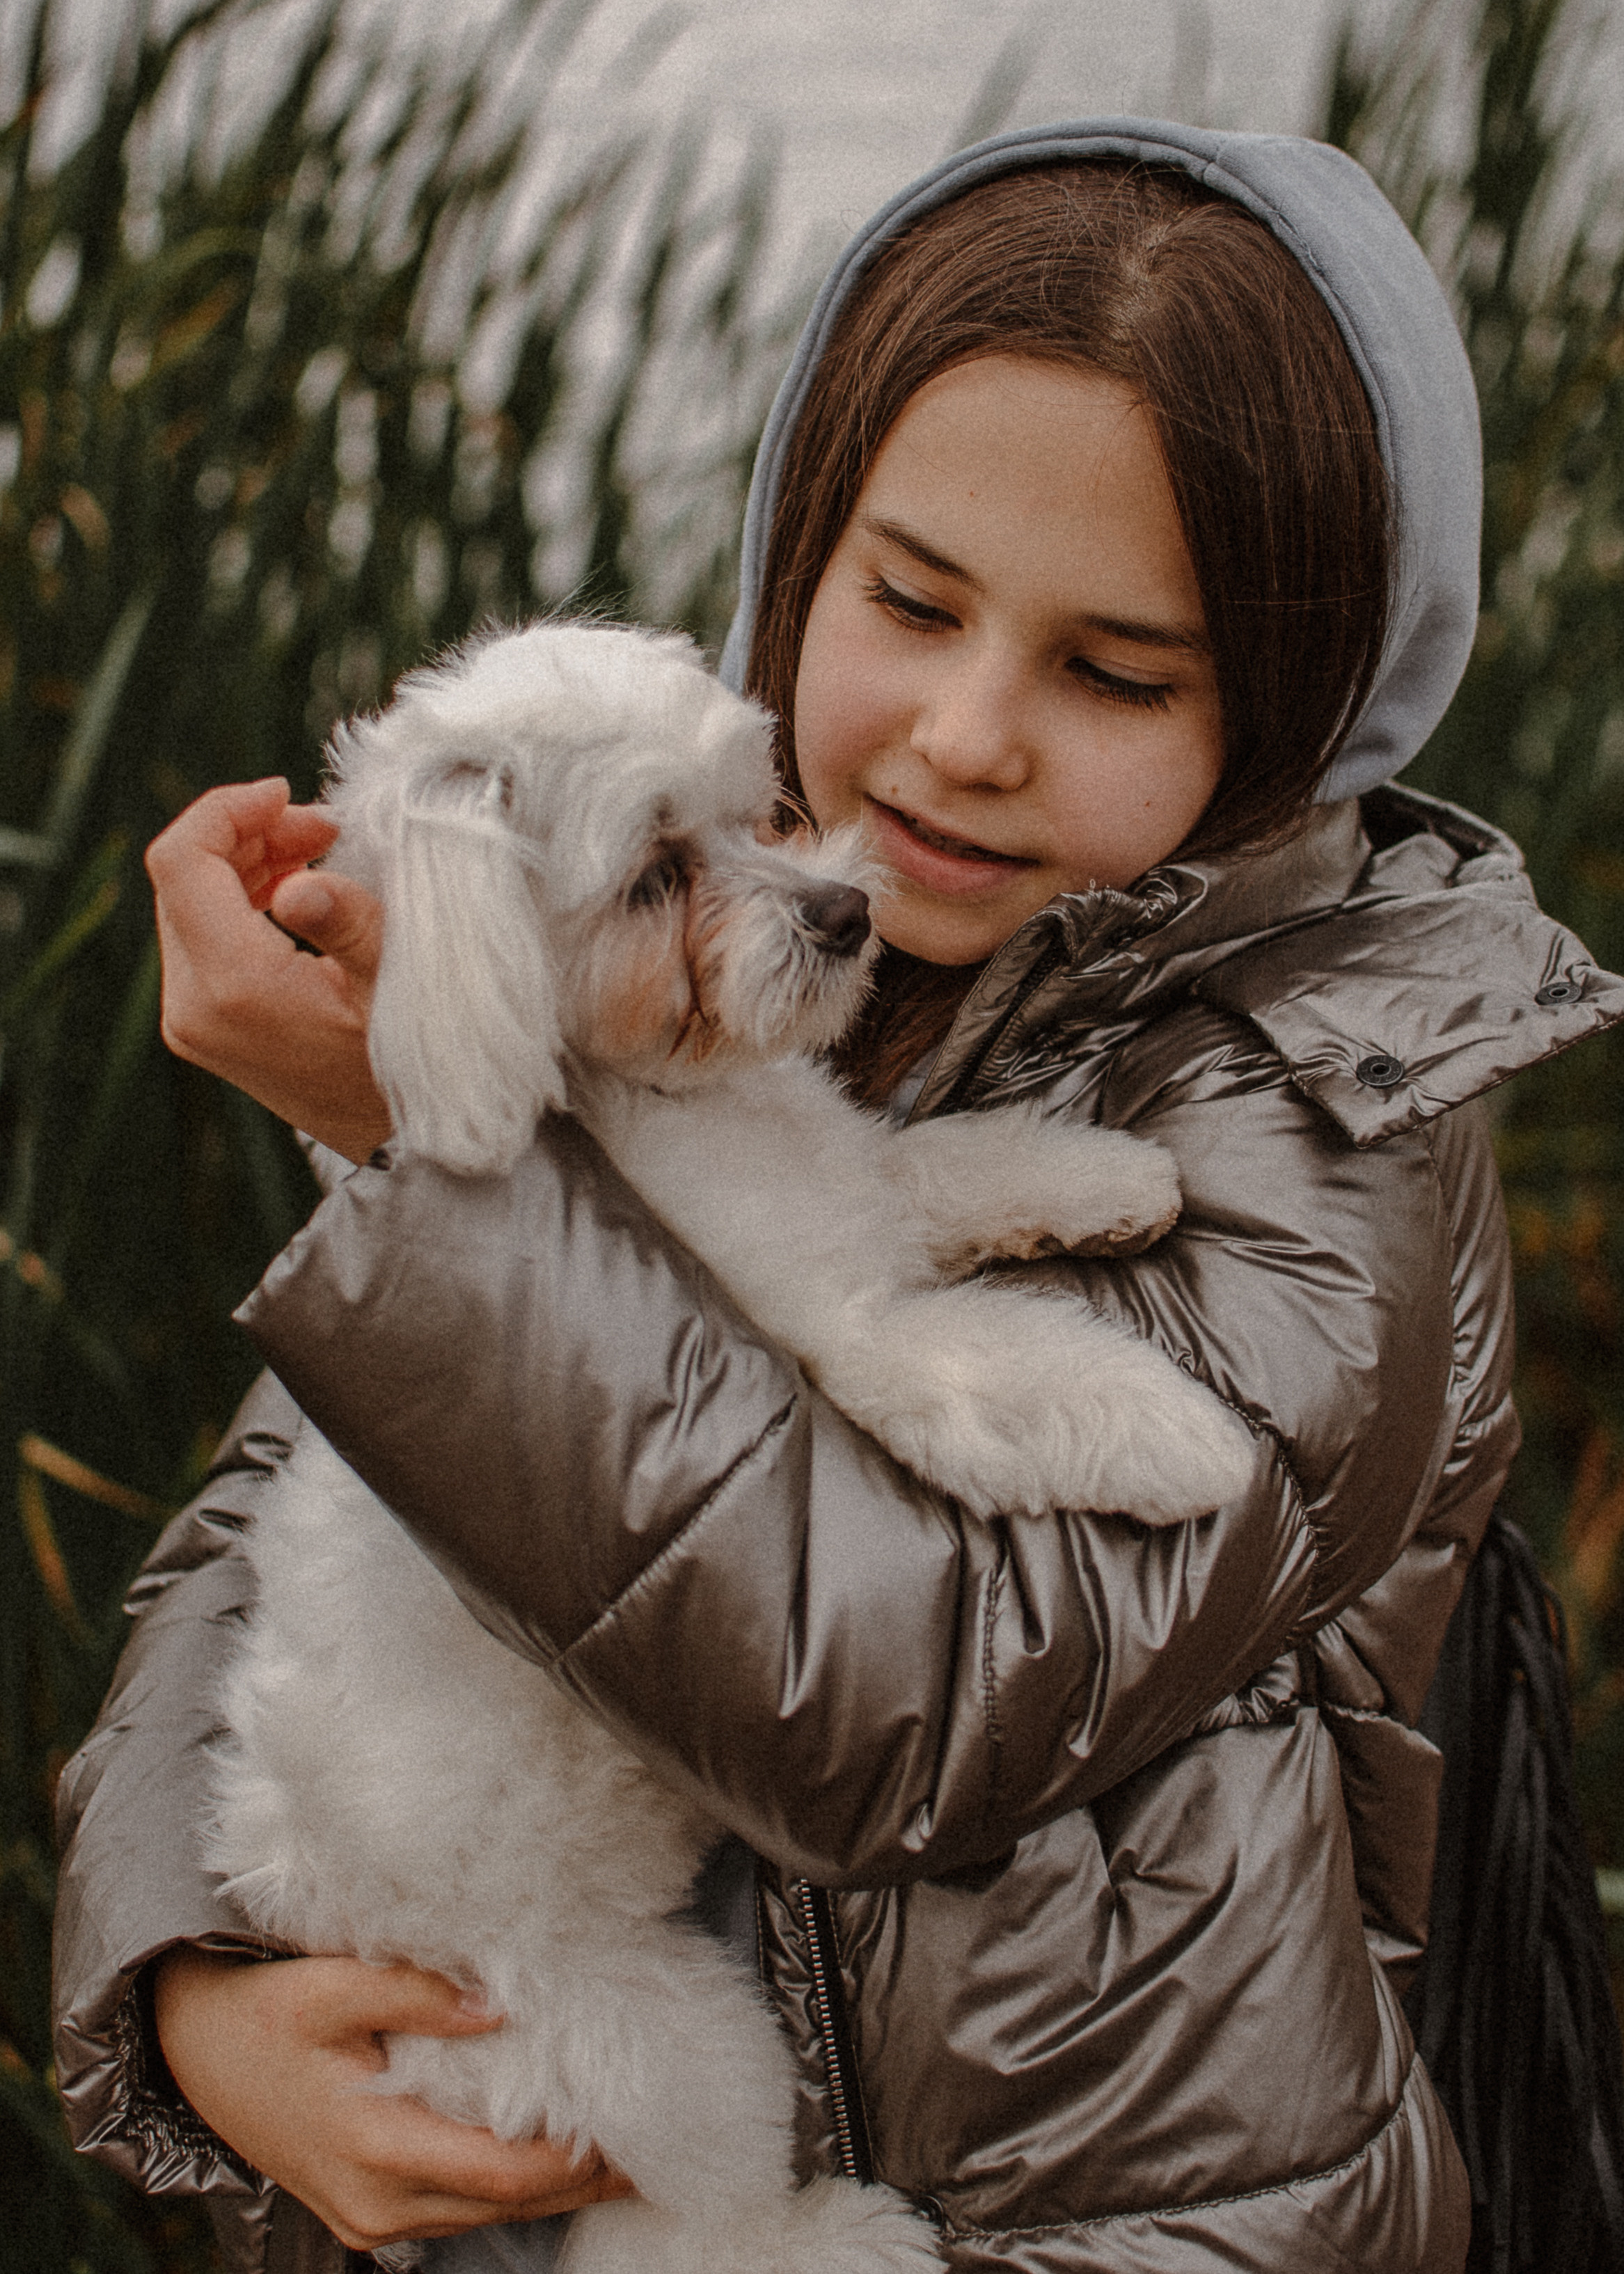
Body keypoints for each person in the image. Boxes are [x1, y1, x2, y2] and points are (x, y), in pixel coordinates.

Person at [52, 119, 1624, 2274]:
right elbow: (261, 1525)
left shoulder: (1337, 1131)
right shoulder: (732, 958)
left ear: (1309, 697)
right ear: (800, 544)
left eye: (1114, 671)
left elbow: (913, 1687)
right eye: (908, 601)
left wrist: (434, 1169)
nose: (964, 739)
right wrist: (186, 1982)